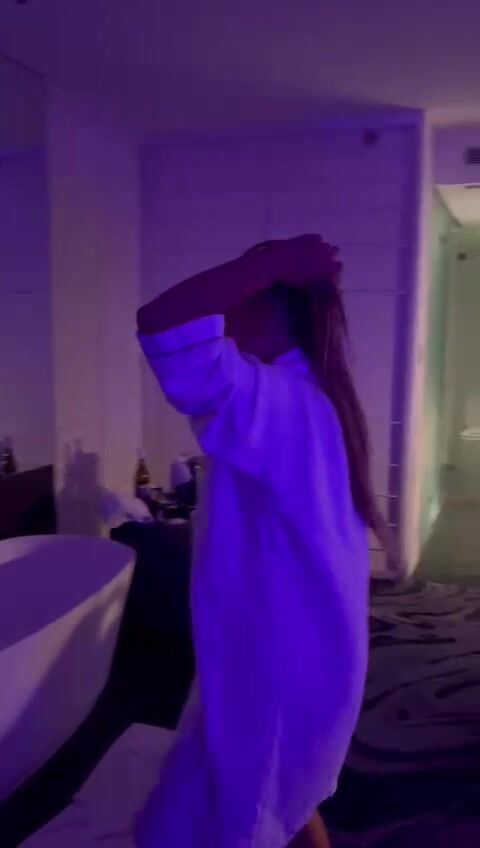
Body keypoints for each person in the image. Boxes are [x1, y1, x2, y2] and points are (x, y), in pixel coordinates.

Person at [135, 234, 391, 848]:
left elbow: (161, 323)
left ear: (270, 309)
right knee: (277, 803)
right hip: (297, 655)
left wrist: (268, 264)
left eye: (241, 299)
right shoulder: (310, 398)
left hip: (275, 668)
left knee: (241, 814)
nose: (225, 315)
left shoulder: (283, 402)